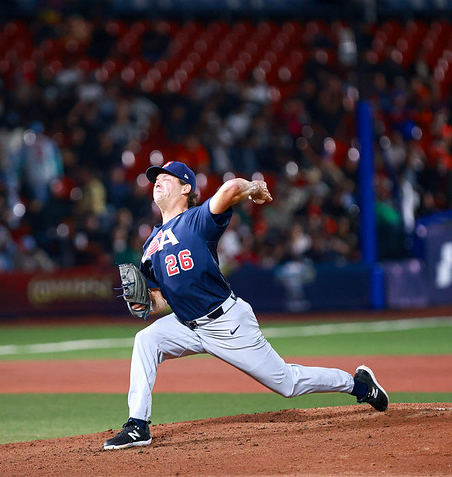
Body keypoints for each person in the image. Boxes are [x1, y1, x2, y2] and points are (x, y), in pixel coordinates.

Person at [103, 161, 388, 450]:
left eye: (166, 178)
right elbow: (160, 299)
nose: (158, 182)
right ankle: (138, 425)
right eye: (156, 179)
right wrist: (143, 305)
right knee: (146, 340)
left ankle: (359, 385)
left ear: (186, 188)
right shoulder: (150, 244)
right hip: (186, 325)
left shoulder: (196, 219)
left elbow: (230, 188)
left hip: (225, 322)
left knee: (287, 384)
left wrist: (252, 188)